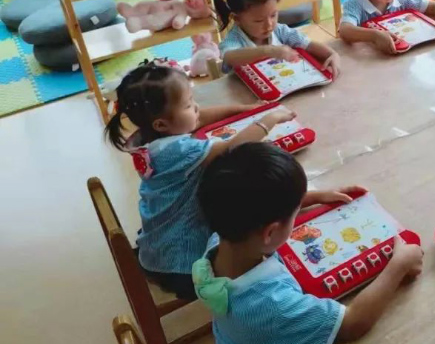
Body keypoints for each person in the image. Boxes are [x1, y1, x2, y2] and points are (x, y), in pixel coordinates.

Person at [193, 142, 425, 344]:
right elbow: (354, 323)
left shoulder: (219, 241)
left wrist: (309, 198)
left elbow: (243, 202)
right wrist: (398, 265)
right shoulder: (273, 306)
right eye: (294, 214)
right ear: (269, 233)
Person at [104, 61, 295, 299]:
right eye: (188, 104)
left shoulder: (145, 138)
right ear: (161, 123)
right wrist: (270, 119)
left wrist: (243, 109)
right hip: (183, 266)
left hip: (155, 247)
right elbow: (232, 147)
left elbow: (200, 116)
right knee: (246, 241)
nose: (196, 107)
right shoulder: (179, 151)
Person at [214, 0, 341, 76]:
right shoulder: (235, 39)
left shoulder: (280, 31)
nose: (269, 24)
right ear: (237, 19)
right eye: (259, 20)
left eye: (273, 15)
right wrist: (268, 51)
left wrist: (332, 54)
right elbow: (229, 57)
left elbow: (308, 44)